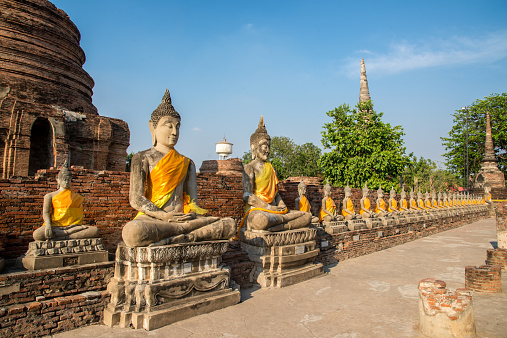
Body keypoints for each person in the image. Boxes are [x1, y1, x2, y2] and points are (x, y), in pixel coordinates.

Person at [122, 90, 236, 247]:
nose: (174, 132)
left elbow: (193, 202)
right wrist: (165, 216)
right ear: (152, 128)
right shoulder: (142, 158)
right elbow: (136, 199)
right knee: (133, 232)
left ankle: (176, 237)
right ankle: (185, 236)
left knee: (229, 224)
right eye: (168, 126)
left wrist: (191, 215)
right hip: (155, 219)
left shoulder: (187, 162)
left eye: (177, 126)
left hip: (185, 220)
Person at [240, 116, 311, 233]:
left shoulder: (272, 169)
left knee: (306, 216)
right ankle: (278, 226)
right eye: (264, 146)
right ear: (254, 147)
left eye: (269, 146)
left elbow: (276, 194)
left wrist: (281, 204)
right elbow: (247, 196)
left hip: (275, 212)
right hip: (258, 210)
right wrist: (268, 207)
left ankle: (277, 227)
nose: (267, 150)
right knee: (261, 220)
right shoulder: (249, 168)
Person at [33, 161, 99, 241]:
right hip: (55, 226)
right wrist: (48, 226)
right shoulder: (50, 196)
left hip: (73, 227)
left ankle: (62, 237)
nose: (66, 182)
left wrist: (72, 228)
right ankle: (64, 236)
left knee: (95, 231)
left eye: (69, 180)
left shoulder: (76, 196)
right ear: (58, 179)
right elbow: (46, 213)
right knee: (37, 235)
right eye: (64, 179)